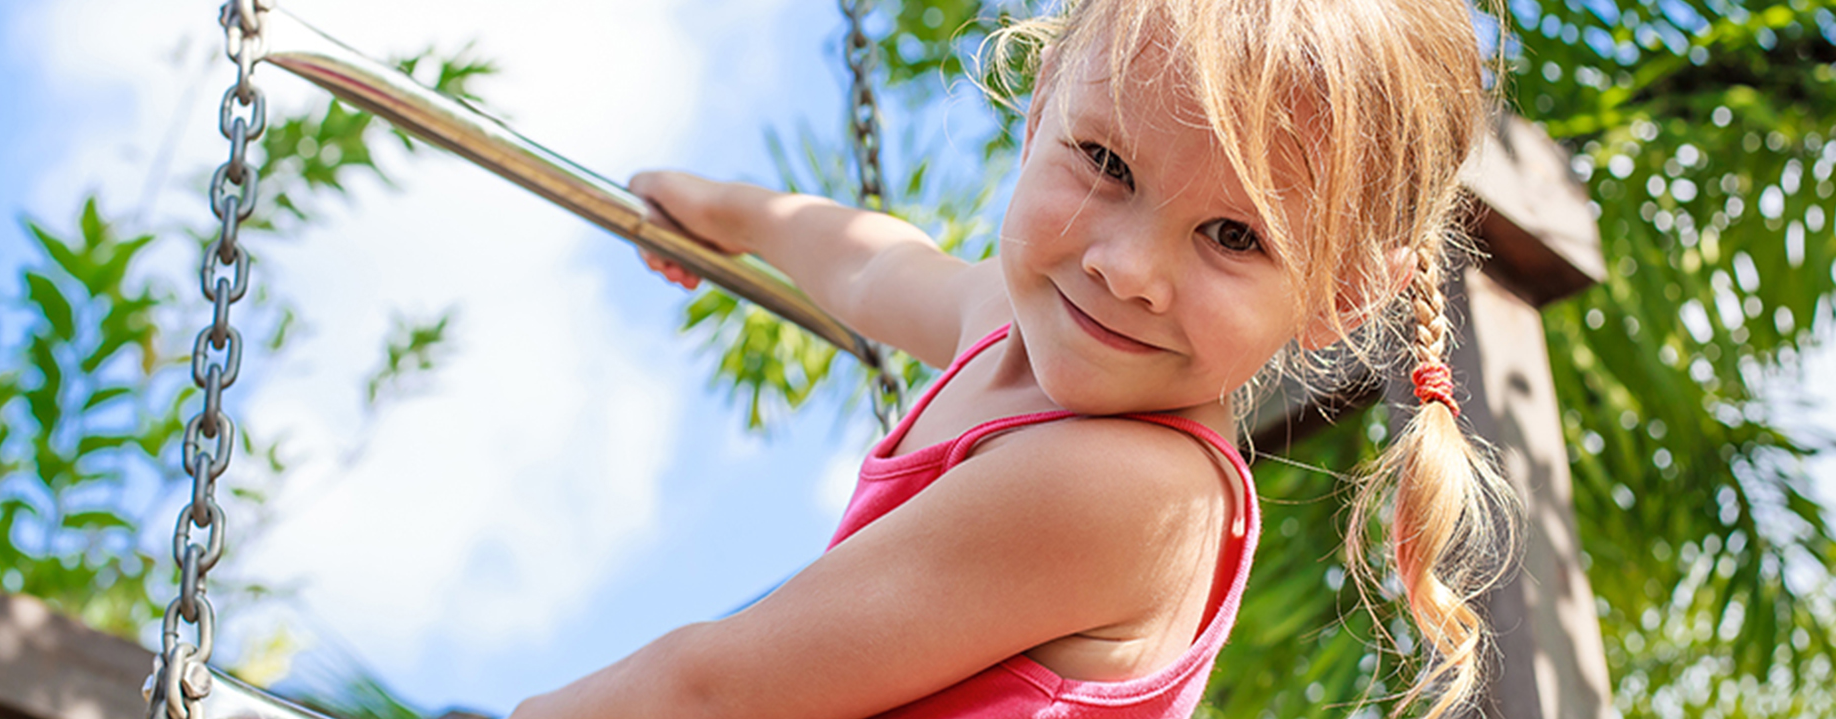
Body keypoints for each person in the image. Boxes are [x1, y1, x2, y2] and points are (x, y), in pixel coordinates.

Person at [510, 0, 1519, 717]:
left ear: (1342, 295)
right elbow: (873, 266)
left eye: (1233, 236)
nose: (1126, 268)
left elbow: (709, 691)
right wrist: (729, 211)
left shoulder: (1134, 492)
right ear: (1040, 112)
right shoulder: (1004, 318)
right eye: (1107, 163)